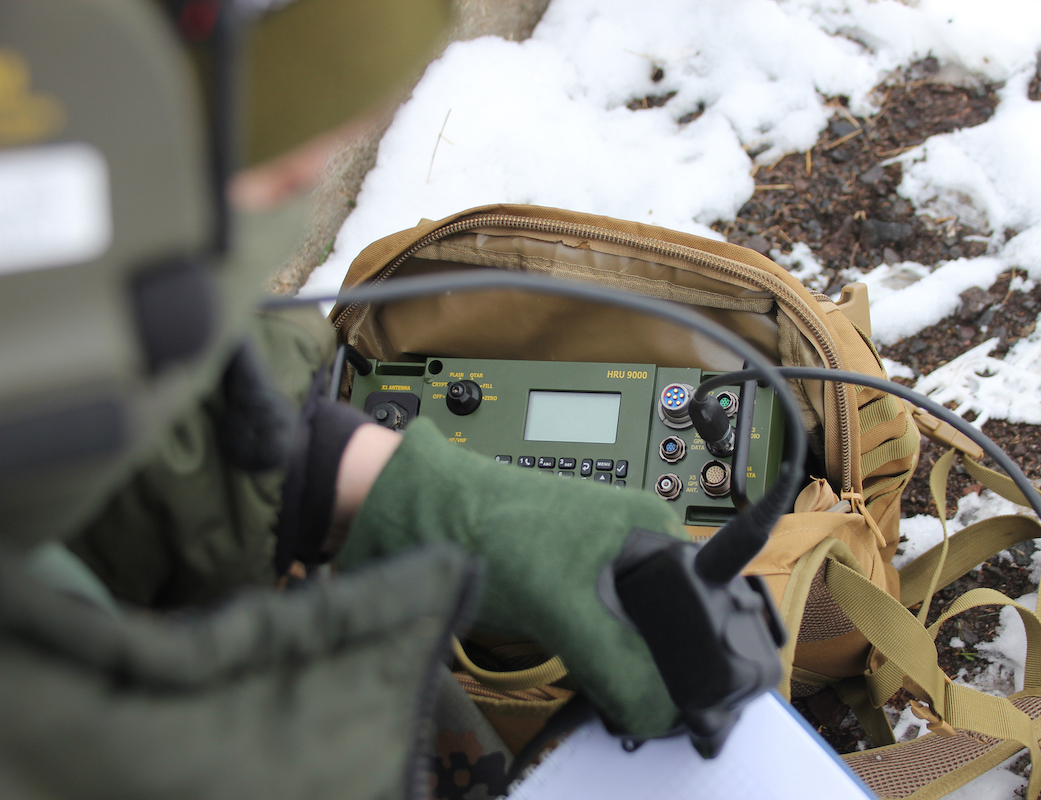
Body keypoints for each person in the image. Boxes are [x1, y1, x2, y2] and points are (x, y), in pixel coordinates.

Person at [0, 1, 700, 796]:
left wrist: (359, 477)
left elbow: (91, 409)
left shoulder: (49, 339)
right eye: (265, 169)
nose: (303, 181)